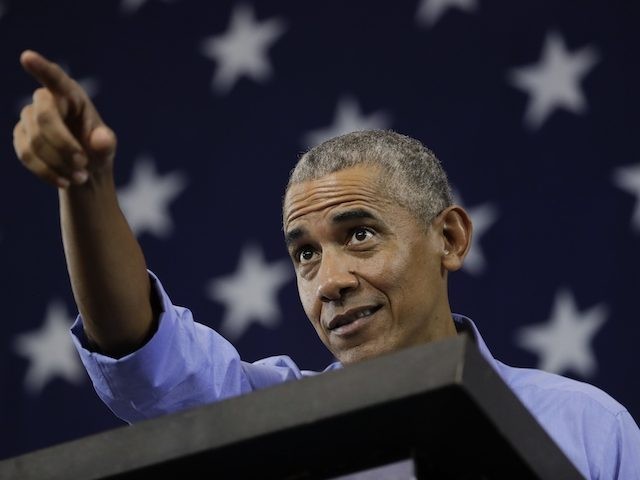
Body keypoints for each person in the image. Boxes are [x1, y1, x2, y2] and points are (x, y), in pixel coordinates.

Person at [13, 50, 640, 479]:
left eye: (360, 235)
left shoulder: (586, 425)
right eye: (305, 254)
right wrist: (86, 185)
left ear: (448, 238)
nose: (330, 281)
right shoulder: (270, 423)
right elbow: (143, 353)